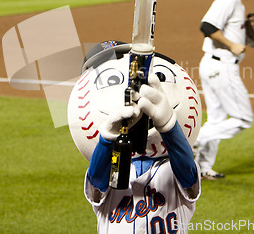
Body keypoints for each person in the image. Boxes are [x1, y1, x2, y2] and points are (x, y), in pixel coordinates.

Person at [67, 41, 202, 233]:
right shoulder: (113, 169)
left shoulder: (171, 170)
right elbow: (97, 180)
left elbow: (188, 173)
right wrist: (107, 138)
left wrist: (168, 125)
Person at [194, 0, 254, 180]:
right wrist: (233, 45)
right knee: (243, 119)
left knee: (216, 119)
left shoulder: (233, 1)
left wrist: (247, 41)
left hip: (212, 65)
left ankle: (202, 168)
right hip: (222, 66)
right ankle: (194, 141)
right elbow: (206, 26)